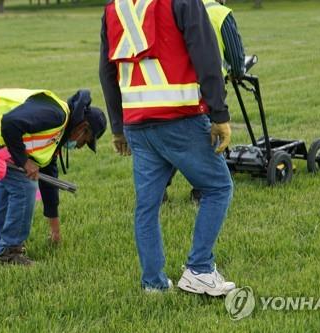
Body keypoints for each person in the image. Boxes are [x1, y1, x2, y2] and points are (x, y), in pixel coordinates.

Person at [99, 0, 235, 295]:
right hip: (179, 117)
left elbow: (107, 72)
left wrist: (118, 127)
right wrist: (220, 114)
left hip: (136, 124)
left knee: (147, 205)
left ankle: (153, 284)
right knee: (218, 187)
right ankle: (199, 270)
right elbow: (207, 55)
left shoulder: (115, 7)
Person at [0, 88, 106, 265]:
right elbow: (10, 123)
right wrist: (23, 161)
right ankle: (10, 252)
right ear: (82, 128)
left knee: (11, 182)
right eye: (85, 141)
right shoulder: (56, 115)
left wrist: (55, 231)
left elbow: (49, 184)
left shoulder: (56, 137)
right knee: (23, 185)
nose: (79, 146)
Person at [166, 0, 246, 204]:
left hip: (178, 86)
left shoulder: (179, 7)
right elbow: (236, 57)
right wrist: (237, 72)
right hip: (209, 87)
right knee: (209, 138)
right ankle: (203, 190)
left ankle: (160, 189)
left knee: (174, 138)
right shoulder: (221, 13)